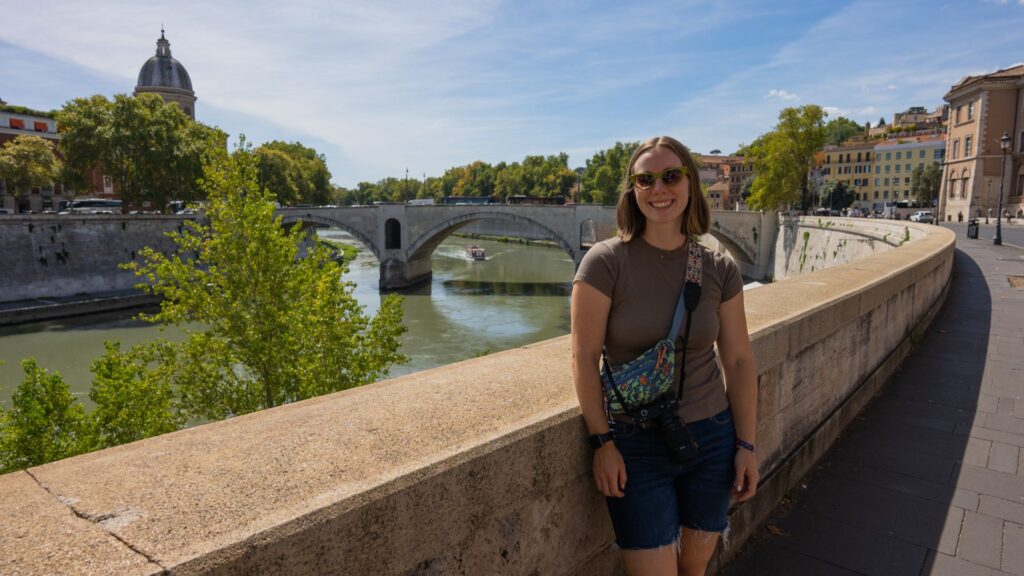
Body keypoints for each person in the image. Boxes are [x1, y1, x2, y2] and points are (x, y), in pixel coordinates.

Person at [571, 136, 759, 576]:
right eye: (646, 179)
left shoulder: (718, 266)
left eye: (671, 176)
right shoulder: (604, 263)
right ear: (632, 191)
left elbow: (738, 360)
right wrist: (603, 442)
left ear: (691, 184)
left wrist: (746, 445)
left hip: (712, 439)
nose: (660, 189)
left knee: (694, 569)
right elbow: (582, 358)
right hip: (635, 443)